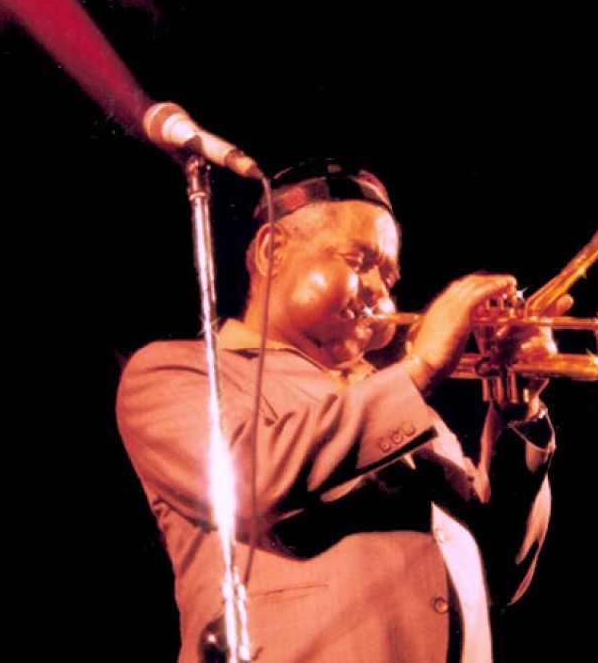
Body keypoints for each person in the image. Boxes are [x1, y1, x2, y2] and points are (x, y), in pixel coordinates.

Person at [116, 158, 574, 663]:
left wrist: (518, 411)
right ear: (272, 251)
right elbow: (251, 477)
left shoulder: (403, 407)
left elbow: (502, 572)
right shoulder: (179, 372)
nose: (381, 293)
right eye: (360, 262)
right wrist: (420, 369)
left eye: (390, 277)